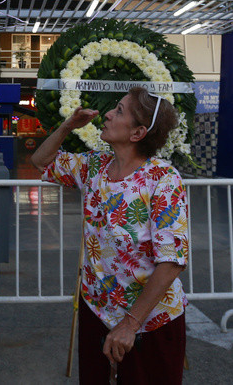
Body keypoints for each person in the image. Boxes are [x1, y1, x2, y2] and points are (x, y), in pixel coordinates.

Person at [31, 87, 188, 384]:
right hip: (97, 308)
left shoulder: (163, 180)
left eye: (119, 111)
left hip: (149, 320)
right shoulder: (94, 167)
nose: (107, 115)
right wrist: (67, 126)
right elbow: (41, 161)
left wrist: (130, 324)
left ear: (138, 132)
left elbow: (172, 261)